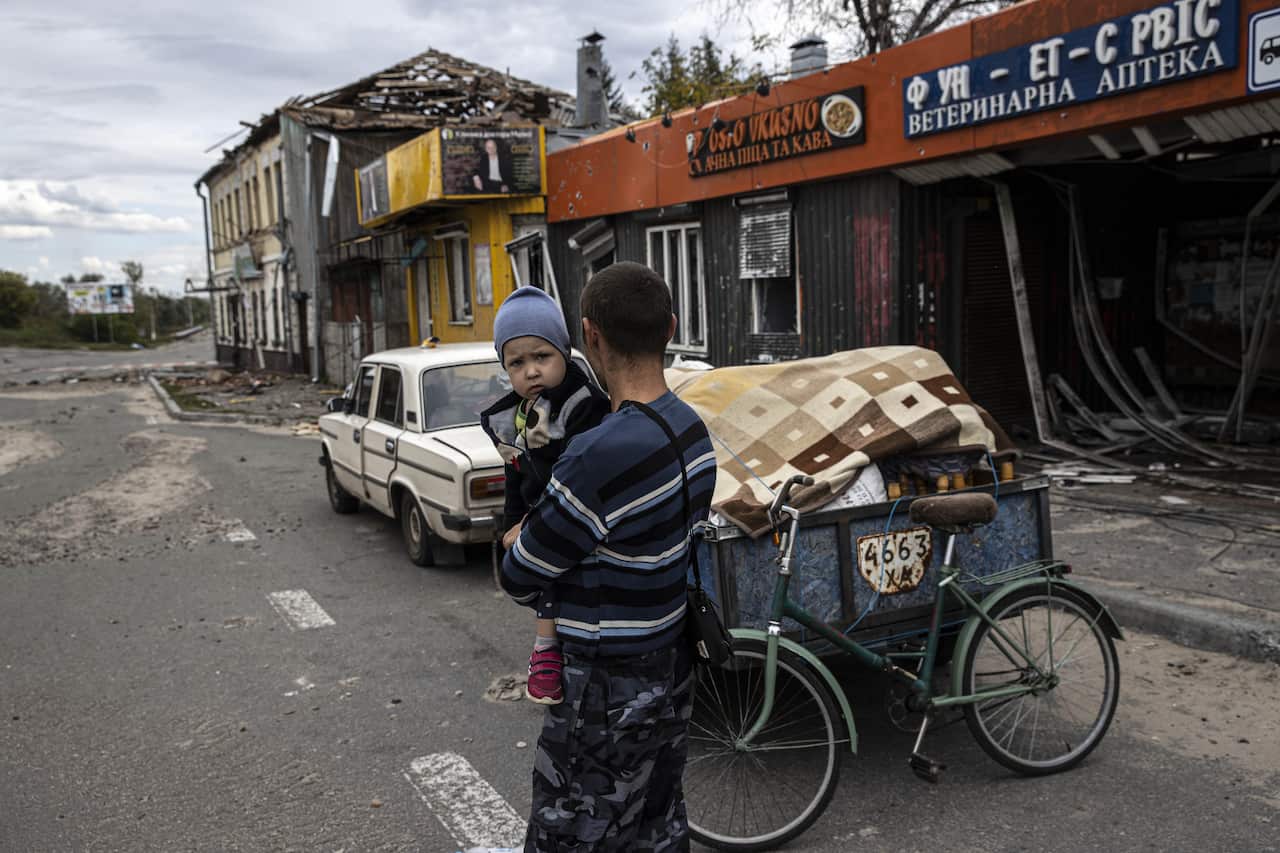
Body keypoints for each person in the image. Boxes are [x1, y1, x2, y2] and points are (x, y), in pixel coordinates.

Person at [500, 262, 715, 852]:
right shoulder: (691, 431)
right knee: (657, 823)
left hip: (603, 687)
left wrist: (516, 536)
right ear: (670, 327)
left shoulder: (596, 456)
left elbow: (520, 575)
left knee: (575, 834)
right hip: (669, 668)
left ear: (589, 336)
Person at [480, 286, 610, 704]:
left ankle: (545, 650)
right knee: (534, 570)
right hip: (538, 512)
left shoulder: (581, 403)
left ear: (565, 352)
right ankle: (547, 645)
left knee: (554, 566)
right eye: (517, 362)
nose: (531, 371)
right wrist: (509, 521)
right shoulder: (513, 417)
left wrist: (530, 524)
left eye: (542, 356)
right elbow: (514, 472)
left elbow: (577, 476)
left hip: (574, 512)